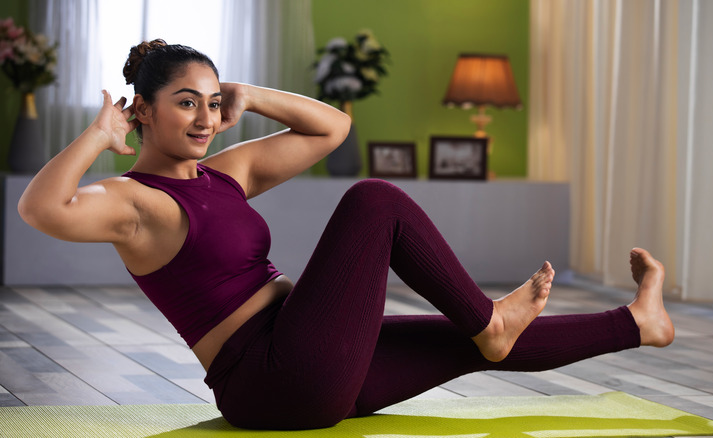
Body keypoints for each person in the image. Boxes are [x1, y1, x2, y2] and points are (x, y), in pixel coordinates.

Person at [17, 40, 674, 431]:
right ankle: (491, 321)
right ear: (144, 111)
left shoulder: (224, 174)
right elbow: (42, 210)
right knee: (375, 200)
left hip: (309, 358)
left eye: (212, 101)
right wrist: (98, 136)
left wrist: (249, 94)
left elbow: (331, 128)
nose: (205, 116)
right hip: (274, 376)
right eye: (187, 100)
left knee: (471, 343)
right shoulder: (137, 203)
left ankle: (638, 323)